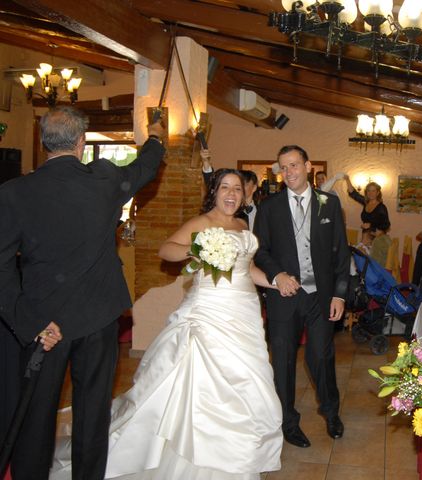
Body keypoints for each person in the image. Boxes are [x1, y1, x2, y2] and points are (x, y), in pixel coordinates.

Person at [51, 170, 283, 480]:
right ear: (214, 192)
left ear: (244, 194)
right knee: (203, 383)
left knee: (245, 380)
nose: (231, 194)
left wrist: (277, 281)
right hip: (207, 315)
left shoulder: (243, 225)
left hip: (244, 314)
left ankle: (236, 451)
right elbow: (166, 249)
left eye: (237, 189)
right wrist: (197, 249)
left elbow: (248, 268)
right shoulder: (202, 223)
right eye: (224, 187)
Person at [0, 106, 165, 480]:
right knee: (93, 413)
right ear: (81, 142)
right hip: (98, 317)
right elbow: (146, 167)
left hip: (45, 324)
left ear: (44, 144)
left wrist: (28, 319)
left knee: (36, 417)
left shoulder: (13, 193)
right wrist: (155, 136)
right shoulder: (105, 179)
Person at [254, 145, 350, 449]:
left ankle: (331, 413)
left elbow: (341, 254)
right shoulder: (269, 207)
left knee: (321, 357)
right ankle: (288, 422)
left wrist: (340, 295)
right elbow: (260, 250)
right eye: (283, 168)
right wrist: (278, 276)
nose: (289, 173)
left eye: (294, 166)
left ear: (308, 166)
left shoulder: (329, 204)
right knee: (282, 360)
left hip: (320, 297)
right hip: (284, 297)